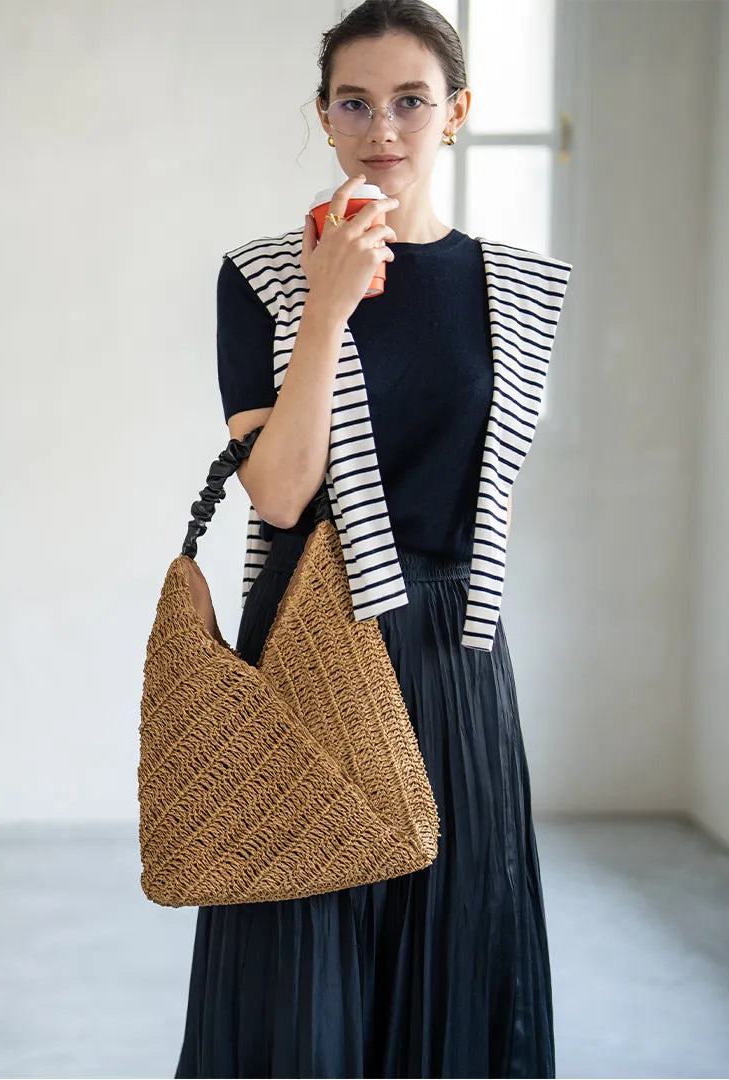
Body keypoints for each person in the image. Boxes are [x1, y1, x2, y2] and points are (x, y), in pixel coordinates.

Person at [174, 2, 570, 1076]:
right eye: (354, 102)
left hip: (454, 652)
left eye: (410, 100)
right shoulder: (262, 276)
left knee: (453, 954)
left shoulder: (522, 290)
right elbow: (282, 494)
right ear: (324, 115)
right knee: (299, 967)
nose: (381, 127)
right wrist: (329, 307)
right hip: (307, 638)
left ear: (457, 114)